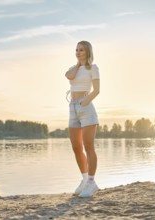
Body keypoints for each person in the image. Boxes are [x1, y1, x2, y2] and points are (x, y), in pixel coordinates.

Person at [65, 40, 100, 197]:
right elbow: (69, 76)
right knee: (76, 147)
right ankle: (85, 179)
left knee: (88, 146)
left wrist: (84, 102)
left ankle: (91, 183)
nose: (78, 52)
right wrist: (78, 64)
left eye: (81, 50)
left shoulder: (93, 68)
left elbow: (97, 90)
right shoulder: (75, 69)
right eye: (77, 50)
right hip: (72, 108)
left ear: (88, 52)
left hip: (86, 108)